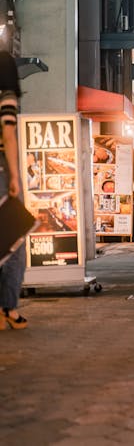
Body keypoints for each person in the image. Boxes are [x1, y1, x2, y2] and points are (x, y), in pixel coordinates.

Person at [0, 51, 28, 330]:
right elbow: (8, 136)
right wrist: (15, 176)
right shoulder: (6, 96)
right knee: (14, 243)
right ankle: (9, 307)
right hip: (1, 176)